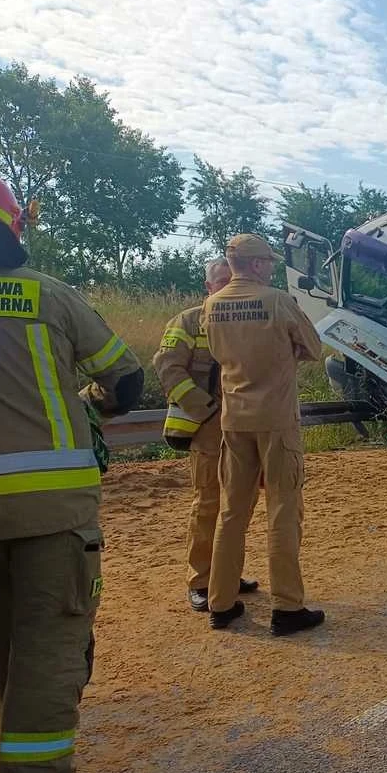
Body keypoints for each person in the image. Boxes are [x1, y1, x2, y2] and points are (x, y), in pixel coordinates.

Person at [0, 165, 142, 773]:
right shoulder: (48, 296)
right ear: (12, 229)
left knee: (7, 645)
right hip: (53, 513)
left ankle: (30, 761)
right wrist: (92, 406)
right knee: (52, 650)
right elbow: (125, 377)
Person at [203, 234, 325, 636]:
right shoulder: (276, 301)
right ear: (255, 264)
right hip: (276, 421)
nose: (271, 267)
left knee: (231, 512)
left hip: (233, 421)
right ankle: (287, 607)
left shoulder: (212, 304)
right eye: (268, 262)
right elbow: (313, 347)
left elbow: (218, 354)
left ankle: (220, 602)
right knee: (283, 511)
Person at [152, 258, 258, 611]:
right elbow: (167, 367)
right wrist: (205, 409)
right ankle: (200, 580)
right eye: (221, 281)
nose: (229, 287)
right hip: (210, 427)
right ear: (208, 287)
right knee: (209, 504)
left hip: (246, 424)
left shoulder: (252, 319)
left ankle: (226, 575)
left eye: (233, 280)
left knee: (240, 505)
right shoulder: (187, 321)